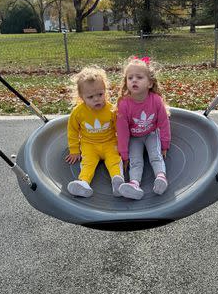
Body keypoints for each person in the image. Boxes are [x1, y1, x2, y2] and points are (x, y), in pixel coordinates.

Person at [116, 56, 171, 200]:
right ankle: (134, 184)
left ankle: (161, 177)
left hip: (151, 134)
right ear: (126, 82)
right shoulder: (124, 104)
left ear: (150, 83)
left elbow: (163, 123)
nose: (134, 80)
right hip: (135, 138)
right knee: (135, 161)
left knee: (155, 155)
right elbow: (122, 131)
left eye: (139, 77)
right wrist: (124, 154)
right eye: (130, 78)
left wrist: (165, 144)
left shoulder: (156, 100)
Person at [65, 66, 124, 197]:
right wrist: (74, 150)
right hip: (89, 145)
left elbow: (119, 128)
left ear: (105, 91)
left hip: (109, 142)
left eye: (100, 94)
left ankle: (118, 182)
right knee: (87, 163)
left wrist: (122, 145)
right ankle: (83, 183)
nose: (96, 99)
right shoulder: (78, 113)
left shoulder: (111, 109)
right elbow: (73, 131)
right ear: (82, 97)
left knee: (114, 160)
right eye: (90, 97)